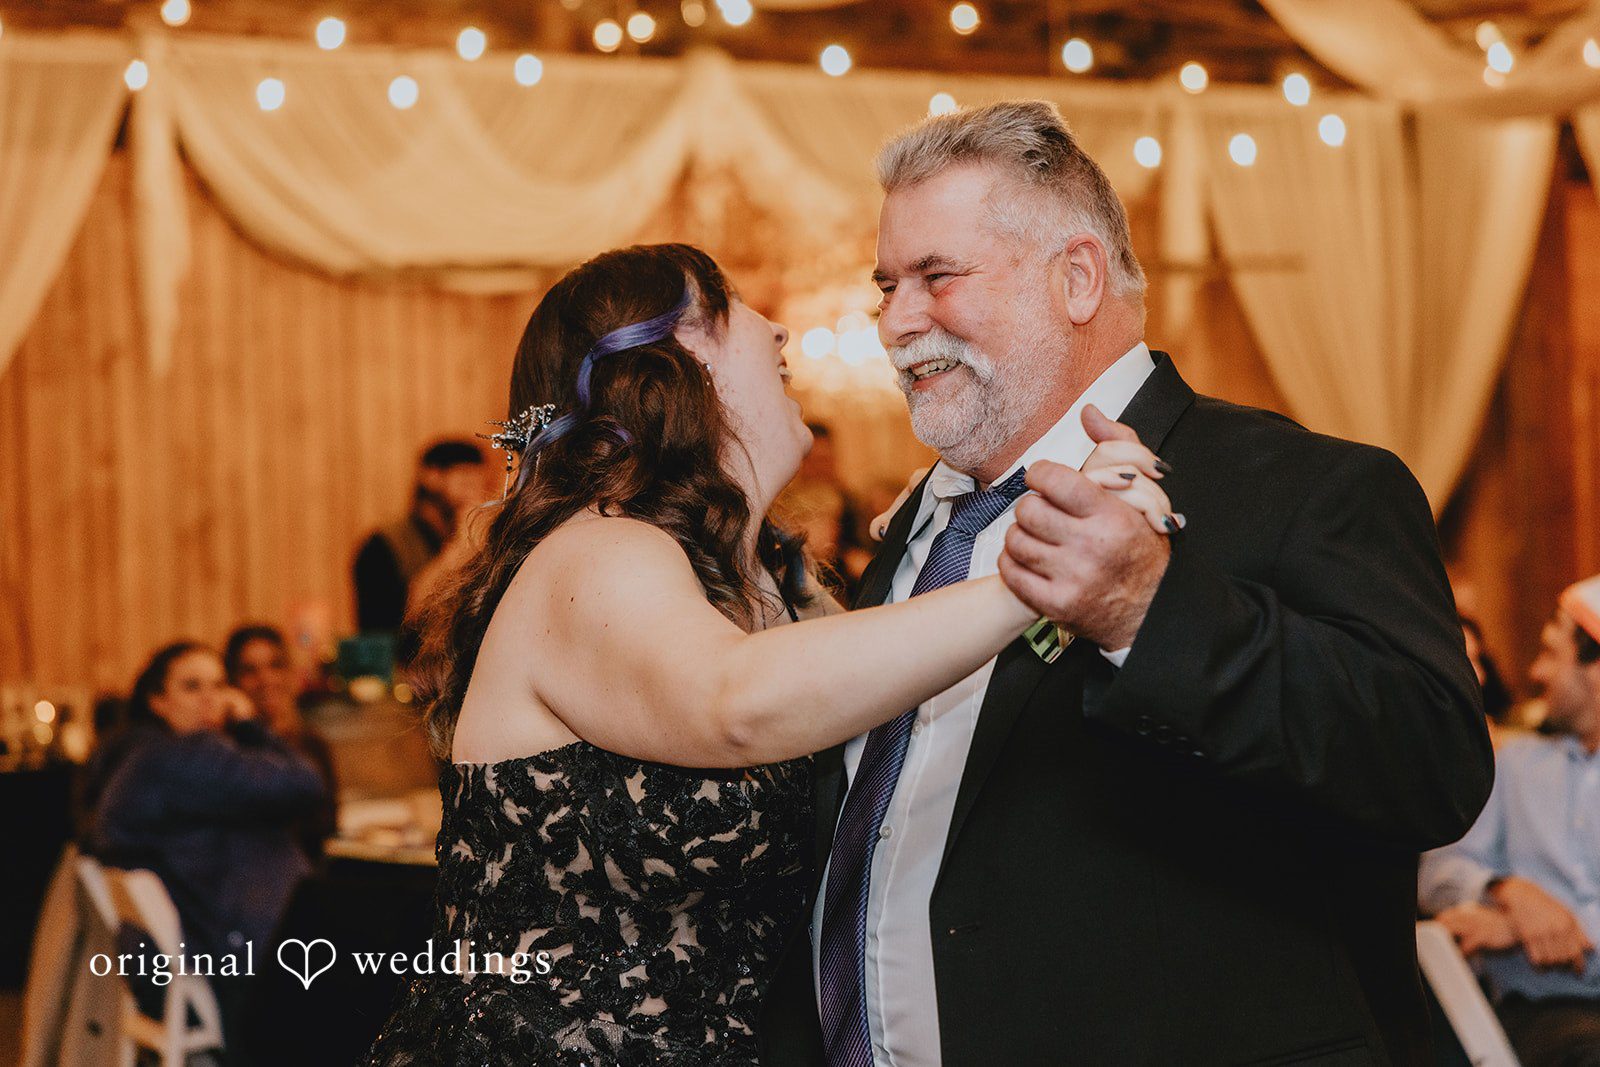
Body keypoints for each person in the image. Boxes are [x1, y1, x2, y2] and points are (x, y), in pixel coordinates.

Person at [757, 101, 1492, 1067]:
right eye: (888, 284)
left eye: (938, 276)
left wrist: (1153, 612)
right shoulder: (923, 526)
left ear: (1076, 278)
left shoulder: (1306, 488)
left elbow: (1431, 765)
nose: (895, 320)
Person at [362, 243, 1177, 1067]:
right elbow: (735, 703)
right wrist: (1039, 574)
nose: (780, 332)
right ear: (678, 363)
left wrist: (981, 526)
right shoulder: (595, 551)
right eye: (734, 306)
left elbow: (883, 721)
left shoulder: (770, 584)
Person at [84, 641, 326, 1053]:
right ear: (157, 701)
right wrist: (249, 722)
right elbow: (306, 784)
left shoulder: (137, 756)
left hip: (174, 953)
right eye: (192, 687)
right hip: (241, 959)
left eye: (218, 684)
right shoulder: (183, 757)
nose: (211, 699)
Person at [1420, 576, 1600, 1067]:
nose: (1534, 671)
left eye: (1551, 653)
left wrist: (1519, 929)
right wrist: (1505, 890)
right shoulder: (1512, 764)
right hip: (1546, 1013)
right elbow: (1437, 872)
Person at [224, 624, 339, 862]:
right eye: (249, 670)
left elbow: (326, 826)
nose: (265, 679)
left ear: (290, 673)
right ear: (232, 682)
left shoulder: (312, 743)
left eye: (275, 665)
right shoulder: (228, 750)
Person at [352, 439, 488, 634]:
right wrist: (458, 548)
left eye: (480, 485)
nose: (475, 494)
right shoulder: (382, 546)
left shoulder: (469, 537)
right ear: (431, 476)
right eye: (466, 482)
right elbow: (401, 620)